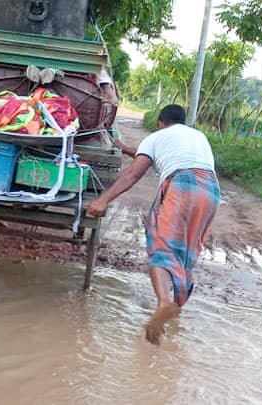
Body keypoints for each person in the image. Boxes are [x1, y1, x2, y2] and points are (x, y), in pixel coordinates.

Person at [87, 105, 220, 345]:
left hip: (181, 183)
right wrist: (125, 148)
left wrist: (103, 199)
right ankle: (177, 307)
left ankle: (163, 303)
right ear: (182, 122)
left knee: (160, 244)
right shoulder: (197, 136)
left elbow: (133, 174)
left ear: (160, 122)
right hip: (211, 190)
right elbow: (148, 153)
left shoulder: (156, 137)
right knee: (187, 251)